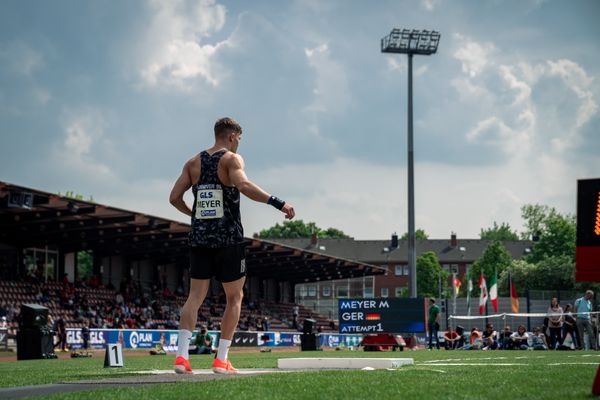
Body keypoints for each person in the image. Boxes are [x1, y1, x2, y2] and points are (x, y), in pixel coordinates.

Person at [169, 117, 295, 375]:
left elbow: (173, 198)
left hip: (200, 239)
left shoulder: (193, 163)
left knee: (194, 297)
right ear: (231, 136)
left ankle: (182, 357)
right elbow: (244, 185)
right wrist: (278, 203)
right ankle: (221, 359)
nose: (238, 143)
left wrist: (194, 214)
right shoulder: (231, 160)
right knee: (234, 297)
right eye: (239, 139)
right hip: (228, 239)